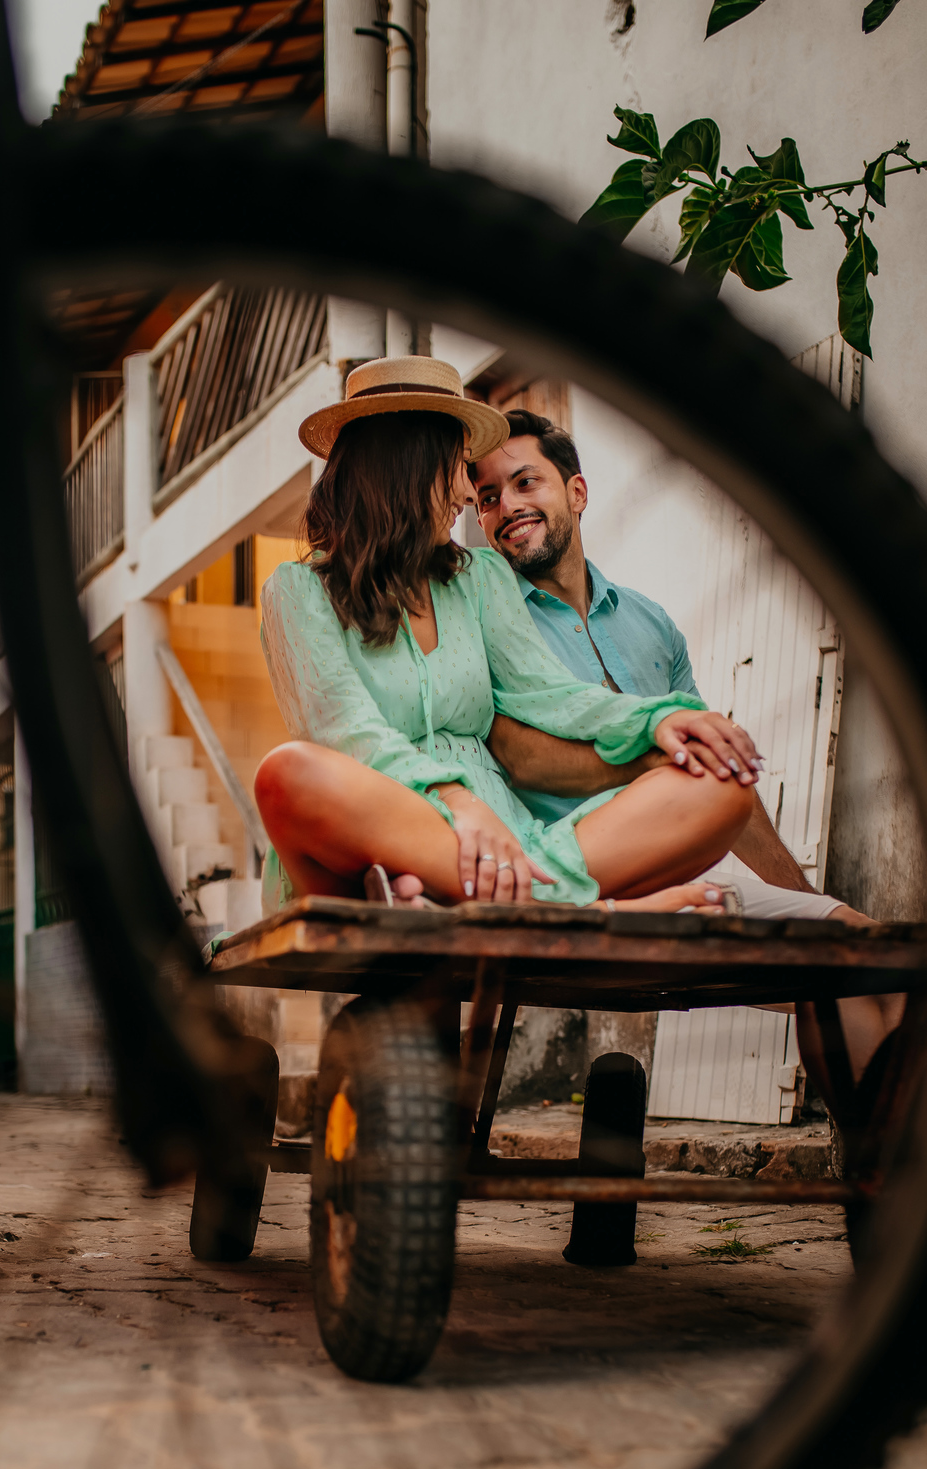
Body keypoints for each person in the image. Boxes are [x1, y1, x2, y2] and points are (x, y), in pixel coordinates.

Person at [467, 408, 903, 1088]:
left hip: (692, 870)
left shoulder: (651, 623)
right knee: (843, 963)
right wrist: (653, 757)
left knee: (867, 954)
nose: (507, 508)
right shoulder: (487, 615)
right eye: (488, 498)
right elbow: (520, 758)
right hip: (581, 881)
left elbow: (718, 769)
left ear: (577, 492)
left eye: (526, 483)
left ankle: (877, 1175)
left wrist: (801, 901)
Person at [253, 357, 759, 924]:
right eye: (459, 469)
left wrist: (655, 720)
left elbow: (547, 693)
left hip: (504, 847)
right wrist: (456, 801)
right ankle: (580, 910)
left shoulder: (481, 578)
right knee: (287, 773)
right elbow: (345, 731)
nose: (470, 495)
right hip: (388, 827)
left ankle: (490, 900)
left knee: (721, 787)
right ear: (409, 466)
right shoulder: (296, 590)